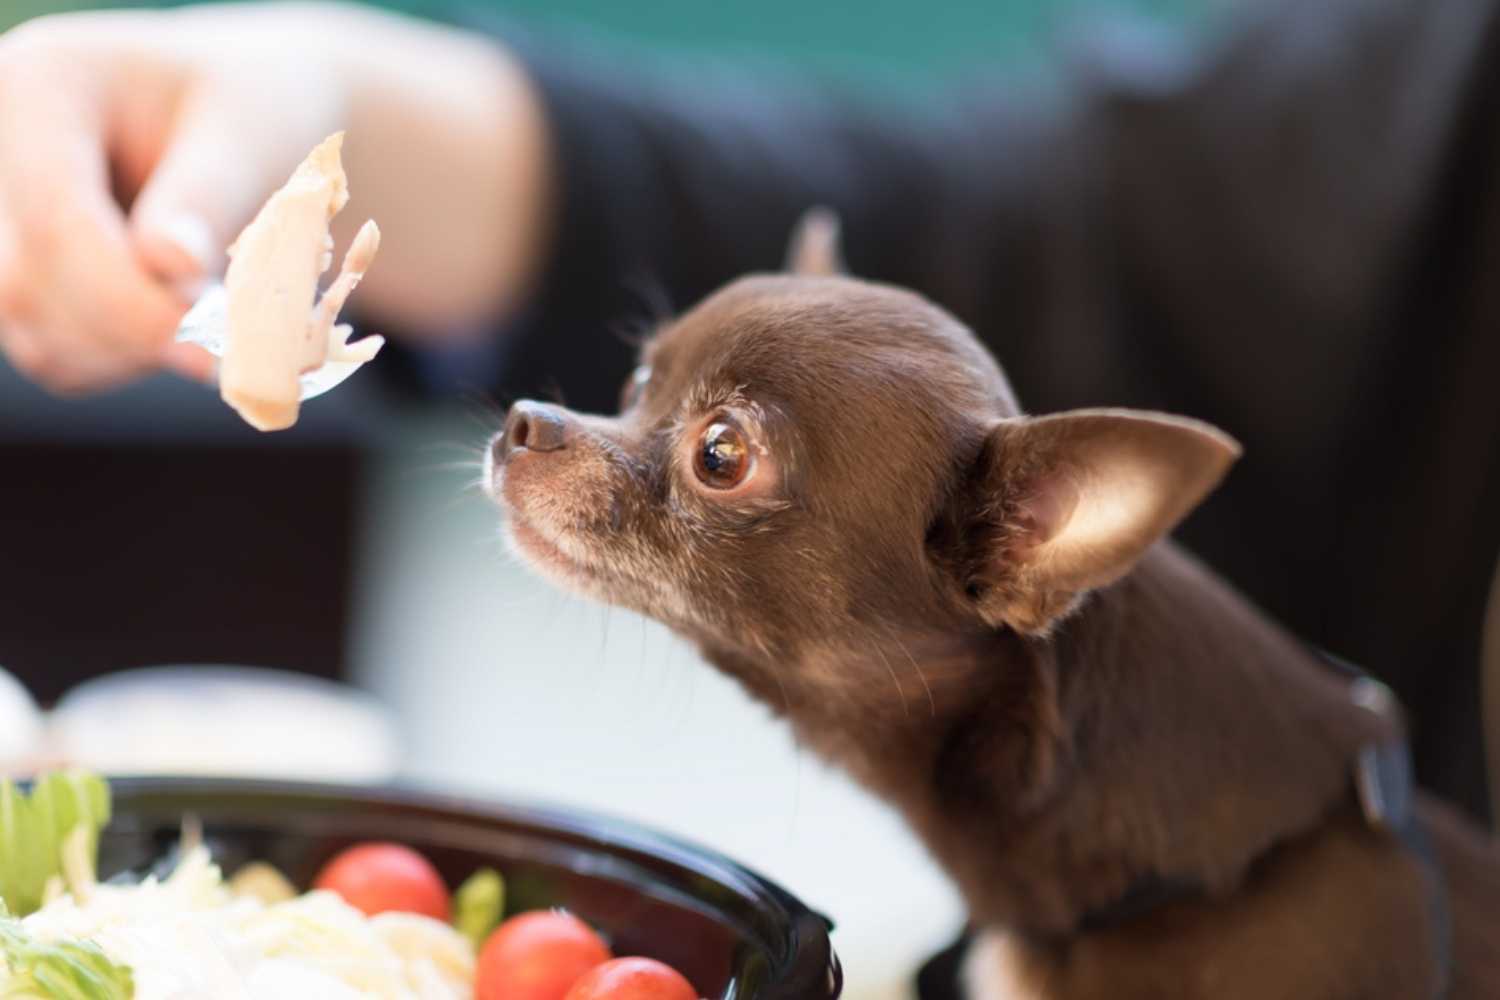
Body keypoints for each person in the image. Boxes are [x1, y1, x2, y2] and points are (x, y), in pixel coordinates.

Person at [0, 0, 1495, 825]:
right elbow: (1011, 250)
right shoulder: (1416, 118)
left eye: (717, 457)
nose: (552, 428)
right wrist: (316, 90)